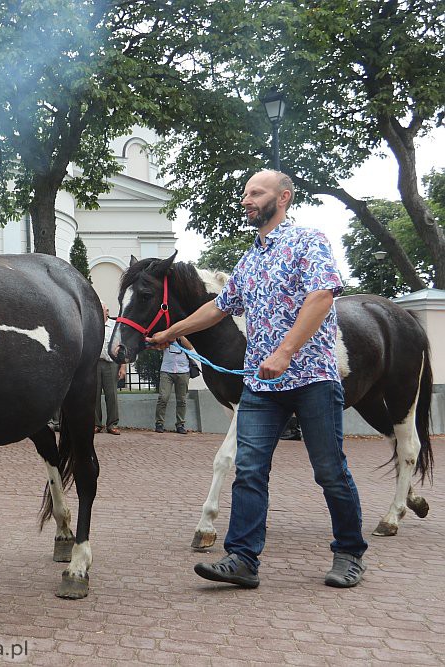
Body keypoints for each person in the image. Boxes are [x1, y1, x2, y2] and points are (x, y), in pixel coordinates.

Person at [148, 169, 367, 589]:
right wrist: (172, 332)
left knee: (329, 471)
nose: (246, 200)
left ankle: (349, 552)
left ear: (282, 197)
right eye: (244, 193)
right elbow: (219, 308)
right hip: (262, 385)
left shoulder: (309, 241)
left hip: (312, 379)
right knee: (248, 470)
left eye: (256, 193)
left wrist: (285, 352)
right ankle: (243, 558)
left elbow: (321, 296)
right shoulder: (251, 258)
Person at [96, 302, 126, 434]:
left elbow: (122, 347)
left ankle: (112, 424)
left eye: (101, 309)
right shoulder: (93, 325)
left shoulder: (115, 326)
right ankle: (96, 424)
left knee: (112, 395)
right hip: (95, 364)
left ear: (107, 312)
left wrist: (123, 367)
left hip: (112, 364)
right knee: (94, 395)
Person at [154, 336, 194, 434]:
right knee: (163, 397)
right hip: (167, 370)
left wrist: (179, 335)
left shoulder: (184, 333)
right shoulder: (167, 334)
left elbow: (190, 347)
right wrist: (169, 337)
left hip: (183, 370)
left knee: (182, 399)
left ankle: (180, 424)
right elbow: (159, 347)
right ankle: (159, 423)